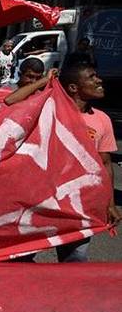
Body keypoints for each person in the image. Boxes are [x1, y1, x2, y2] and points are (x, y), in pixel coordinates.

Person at [55, 61, 120, 261]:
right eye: (91, 77)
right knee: (23, 258)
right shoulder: (50, 113)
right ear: (73, 88)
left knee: (75, 260)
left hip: (81, 205)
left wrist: (110, 203)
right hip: (46, 201)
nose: (99, 80)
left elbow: (105, 163)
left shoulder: (102, 119)